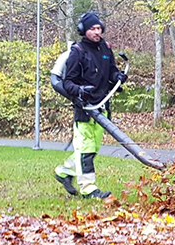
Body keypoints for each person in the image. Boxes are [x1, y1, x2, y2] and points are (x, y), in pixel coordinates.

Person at [53, 12, 127, 199]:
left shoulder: (105, 48)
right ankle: (88, 189)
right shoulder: (77, 52)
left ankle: (63, 171)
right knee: (85, 149)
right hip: (85, 109)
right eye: (93, 29)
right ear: (83, 30)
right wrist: (79, 90)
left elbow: (111, 71)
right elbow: (68, 82)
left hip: (102, 106)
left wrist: (117, 77)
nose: (97, 32)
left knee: (92, 149)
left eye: (99, 28)